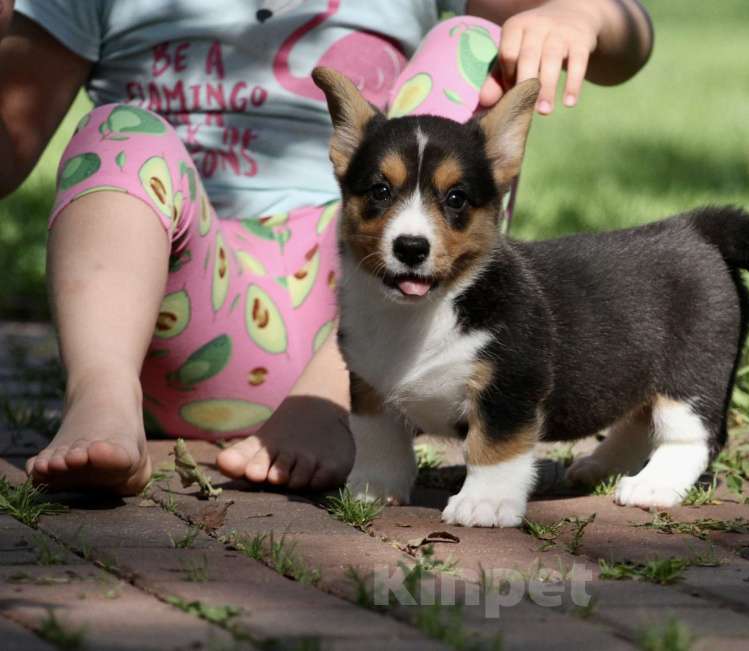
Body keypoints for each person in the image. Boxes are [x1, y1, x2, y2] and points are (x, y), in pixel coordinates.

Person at [0, 0, 653, 494]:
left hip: (362, 304)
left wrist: (586, 14)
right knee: (117, 132)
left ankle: (334, 396)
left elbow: (630, 40)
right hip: (179, 305)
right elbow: (13, 133)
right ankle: (102, 398)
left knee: (472, 42)